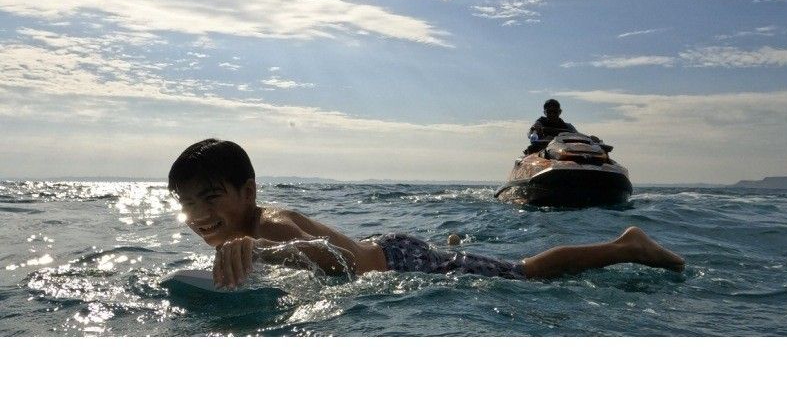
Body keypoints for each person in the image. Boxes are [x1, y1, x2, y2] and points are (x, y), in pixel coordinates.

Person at [168, 138, 685, 289]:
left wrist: (257, 250)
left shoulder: (267, 225)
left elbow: (325, 260)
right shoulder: (240, 227)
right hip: (389, 249)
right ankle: (453, 247)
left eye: (210, 198)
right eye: (188, 204)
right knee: (460, 257)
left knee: (525, 273)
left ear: (248, 191)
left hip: (401, 261)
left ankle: (626, 246)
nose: (199, 216)